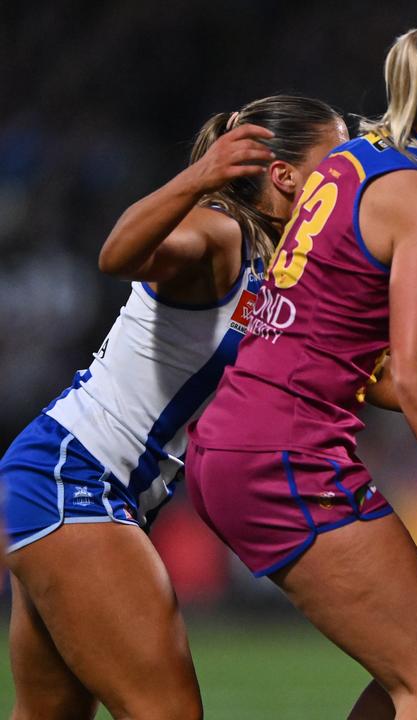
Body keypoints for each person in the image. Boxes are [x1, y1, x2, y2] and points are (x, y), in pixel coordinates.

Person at [184, 10, 417, 719]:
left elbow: (358, 356)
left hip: (249, 437)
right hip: (280, 453)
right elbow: (415, 378)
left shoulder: (351, 162)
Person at [0, 95, 347, 720]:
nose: (348, 172)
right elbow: (117, 257)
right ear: (284, 174)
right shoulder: (219, 230)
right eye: (335, 156)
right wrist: (199, 177)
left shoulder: (272, 268)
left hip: (83, 485)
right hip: (77, 477)